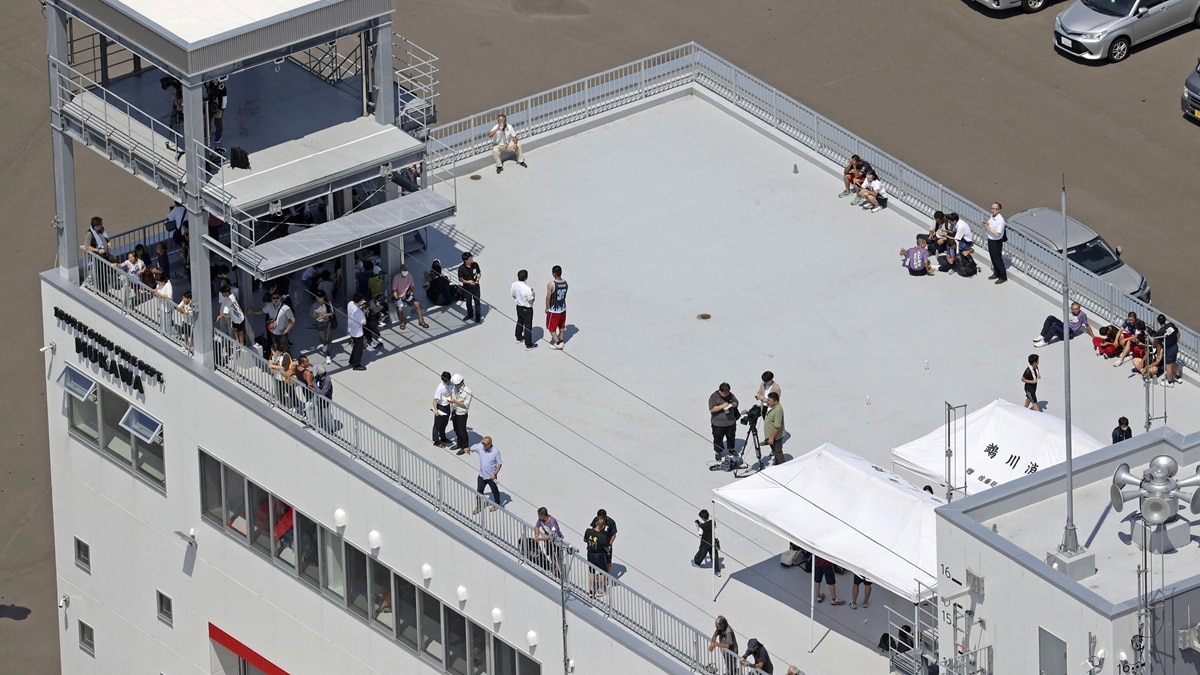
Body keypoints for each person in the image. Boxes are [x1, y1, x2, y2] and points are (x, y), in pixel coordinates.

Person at [468, 436, 503, 514]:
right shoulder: (481, 447)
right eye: (482, 443)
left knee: (494, 490)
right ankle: (478, 507)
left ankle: (497, 503)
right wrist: (468, 449)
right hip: (481, 476)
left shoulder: (495, 451)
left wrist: (495, 474)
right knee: (479, 492)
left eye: (485, 444)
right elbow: (472, 448)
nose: (483, 445)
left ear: (490, 444)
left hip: (491, 476)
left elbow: (499, 464)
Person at [392, 264, 429, 330]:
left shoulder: (409, 275)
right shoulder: (396, 277)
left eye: (406, 271)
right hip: (399, 297)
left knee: (417, 304)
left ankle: (421, 320)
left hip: (407, 295)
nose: (406, 272)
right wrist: (397, 298)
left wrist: (411, 293)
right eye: (404, 271)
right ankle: (402, 321)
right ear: (401, 270)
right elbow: (394, 290)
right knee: (400, 309)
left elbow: (412, 286)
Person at [708, 383, 739, 462]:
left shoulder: (731, 395)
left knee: (731, 437)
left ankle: (731, 449)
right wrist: (722, 406)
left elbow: (736, 402)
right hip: (718, 424)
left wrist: (734, 404)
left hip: (730, 422)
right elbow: (712, 409)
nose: (726, 394)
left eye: (728, 392)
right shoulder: (714, 397)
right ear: (720, 391)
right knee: (718, 438)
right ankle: (718, 452)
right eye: (725, 393)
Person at [583, 519, 611, 597]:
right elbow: (606, 548)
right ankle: (601, 589)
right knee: (602, 572)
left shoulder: (588, 531)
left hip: (590, 553)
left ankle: (591, 589)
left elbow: (585, 540)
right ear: (602, 527)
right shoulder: (602, 536)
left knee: (591, 571)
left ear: (596, 523)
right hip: (599, 554)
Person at [983, 201, 1007, 284]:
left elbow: (998, 234)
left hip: (996, 242)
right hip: (991, 240)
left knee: (998, 259)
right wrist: (986, 224)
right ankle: (996, 273)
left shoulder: (1000, 220)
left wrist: (988, 228)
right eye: (992, 208)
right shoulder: (992, 216)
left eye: (995, 209)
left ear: (999, 210)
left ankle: (1003, 276)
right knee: (993, 258)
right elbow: (990, 223)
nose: (993, 210)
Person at [511, 269, 536, 349]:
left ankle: (518, 337)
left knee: (520, 321)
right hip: (527, 308)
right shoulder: (527, 289)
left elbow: (513, 294)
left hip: (519, 306)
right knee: (528, 326)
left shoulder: (514, 284)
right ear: (526, 277)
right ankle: (528, 344)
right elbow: (531, 301)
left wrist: (518, 300)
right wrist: (533, 295)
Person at [448, 374, 473, 453]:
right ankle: (459, 443)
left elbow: (465, 405)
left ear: (461, 382)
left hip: (461, 413)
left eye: (457, 384)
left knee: (462, 430)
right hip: (454, 411)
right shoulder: (455, 388)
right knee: (456, 429)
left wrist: (455, 401)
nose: (456, 386)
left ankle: (465, 446)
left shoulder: (468, 391)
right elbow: (453, 396)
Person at [546, 265, 568, 350]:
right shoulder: (566, 283)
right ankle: (561, 340)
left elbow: (548, 297)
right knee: (562, 326)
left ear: (554, 274)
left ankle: (558, 343)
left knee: (551, 327)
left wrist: (547, 307)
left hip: (554, 310)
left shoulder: (551, 284)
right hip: (563, 308)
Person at [431, 371, 455, 448]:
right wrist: (435, 410)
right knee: (437, 425)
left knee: (444, 423)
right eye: (447, 381)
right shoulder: (440, 388)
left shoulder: (451, 384)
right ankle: (436, 441)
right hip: (441, 407)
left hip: (447, 406)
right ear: (444, 381)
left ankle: (443, 437)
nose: (449, 382)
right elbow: (435, 400)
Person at [589, 509, 617, 574]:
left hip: (606, 544)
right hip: (598, 544)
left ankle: (608, 576)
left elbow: (614, 535)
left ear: (605, 517)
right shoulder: (596, 519)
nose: (599, 519)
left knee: (608, 562)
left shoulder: (611, 522)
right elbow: (593, 530)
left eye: (601, 518)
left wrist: (609, 544)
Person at [1155, 313, 1181, 384]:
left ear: (1158, 322)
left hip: (1169, 349)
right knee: (1174, 362)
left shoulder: (1159, 332)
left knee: (1168, 365)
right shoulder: (1171, 325)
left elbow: (1159, 345)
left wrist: (1158, 354)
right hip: (1175, 346)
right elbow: (1178, 333)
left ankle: (1169, 382)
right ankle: (1178, 377)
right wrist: (1175, 341)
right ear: (1165, 320)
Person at [311, 290, 334, 364]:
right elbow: (312, 317)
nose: (318, 299)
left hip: (327, 322)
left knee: (328, 338)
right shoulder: (314, 305)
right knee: (322, 338)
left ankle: (328, 355)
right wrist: (315, 314)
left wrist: (326, 315)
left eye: (320, 297)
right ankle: (324, 344)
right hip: (319, 323)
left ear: (323, 297)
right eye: (317, 297)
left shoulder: (328, 303)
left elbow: (332, 312)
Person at [763, 392, 786, 465]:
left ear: (776, 401)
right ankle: (777, 464)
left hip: (776, 437)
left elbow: (777, 426)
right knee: (775, 452)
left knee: (778, 452)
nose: (768, 402)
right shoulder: (772, 407)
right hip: (771, 436)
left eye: (770, 401)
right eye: (768, 400)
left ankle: (782, 466)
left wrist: (771, 438)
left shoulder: (778, 410)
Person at [347, 294, 368, 371]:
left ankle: (352, 360)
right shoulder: (359, 312)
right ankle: (356, 364)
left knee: (355, 347)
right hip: (357, 332)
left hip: (351, 329)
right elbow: (364, 322)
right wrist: (364, 312)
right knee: (359, 349)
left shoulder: (350, 304)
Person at [310, 365, 333, 431]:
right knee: (317, 410)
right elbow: (314, 382)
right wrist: (318, 390)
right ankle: (316, 424)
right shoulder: (319, 376)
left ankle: (331, 428)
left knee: (327, 414)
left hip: (326, 398)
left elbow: (323, 393)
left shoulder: (327, 380)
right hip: (320, 397)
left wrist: (315, 390)